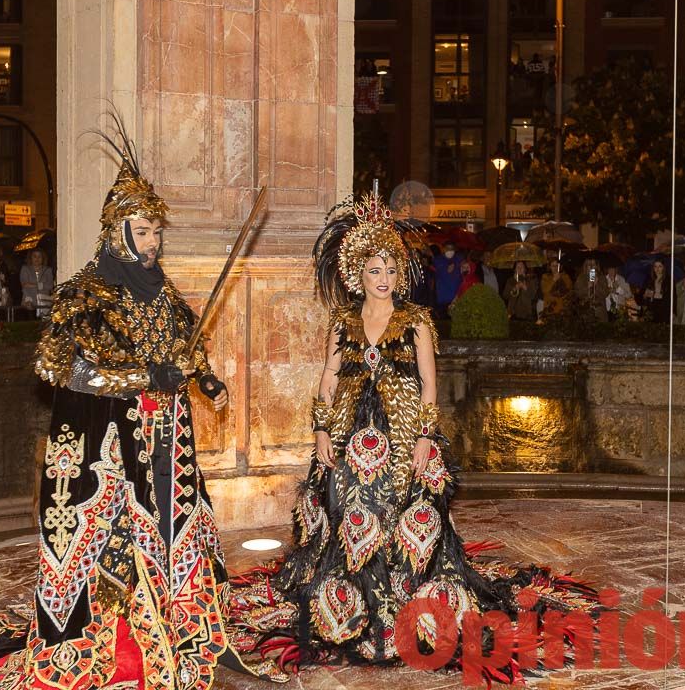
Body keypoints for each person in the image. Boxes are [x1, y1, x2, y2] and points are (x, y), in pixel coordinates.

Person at [0, 116, 261, 689]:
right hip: (105, 451)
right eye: (143, 232)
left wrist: (203, 379)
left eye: (156, 233)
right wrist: (146, 373)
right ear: (118, 232)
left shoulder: (164, 294)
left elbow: (183, 351)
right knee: (112, 543)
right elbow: (57, 366)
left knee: (178, 530)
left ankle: (176, 630)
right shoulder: (83, 294)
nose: (153, 244)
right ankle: (115, 644)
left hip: (166, 443)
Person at [229, 191, 598, 671]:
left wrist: (425, 437)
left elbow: (429, 384)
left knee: (408, 512)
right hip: (351, 430)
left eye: (389, 271)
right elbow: (328, 377)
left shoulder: (418, 321)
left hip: (404, 436)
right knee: (345, 508)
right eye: (373, 271)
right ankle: (349, 597)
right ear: (357, 275)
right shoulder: (342, 323)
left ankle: (408, 601)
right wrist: (322, 431)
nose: (383, 280)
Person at [431, 239, 464, 316]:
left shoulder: (459, 259)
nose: (450, 251)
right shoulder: (437, 260)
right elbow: (438, 271)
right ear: (443, 249)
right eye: (447, 248)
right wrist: (447, 269)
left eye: (452, 249)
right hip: (443, 299)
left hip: (456, 299)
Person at [19, 248, 55, 318]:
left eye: (39, 256)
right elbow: (25, 285)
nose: (37, 259)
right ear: (31, 258)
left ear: (42, 258)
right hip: (29, 302)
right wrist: (28, 299)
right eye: (34, 256)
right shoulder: (25, 269)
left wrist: (33, 285)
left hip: (44, 303)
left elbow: (50, 286)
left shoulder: (48, 270)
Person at [642, 259, 670, 323]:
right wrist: (645, 295)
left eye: (660, 266)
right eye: (655, 266)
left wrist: (672, 312)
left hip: (663, 307)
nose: (657, 268)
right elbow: (642, 296)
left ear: (663, 267)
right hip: (651, 306)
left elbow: (672, 296)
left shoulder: (668, 280)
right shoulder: (649, 280)